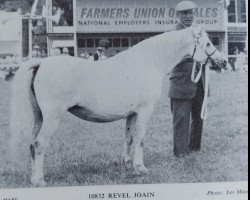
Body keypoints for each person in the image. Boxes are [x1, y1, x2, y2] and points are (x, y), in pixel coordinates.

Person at [169, 1, 207, 158]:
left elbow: (207, 50)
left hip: (200, 80)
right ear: (178, 15)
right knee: (181, 118)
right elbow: (171, 57)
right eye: (184, 13)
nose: (188, 16)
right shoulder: (172, 34)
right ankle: (180, 153)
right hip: (181, 81)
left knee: (199, 117)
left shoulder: (200, 31)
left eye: (191, 13)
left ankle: (194, 148)